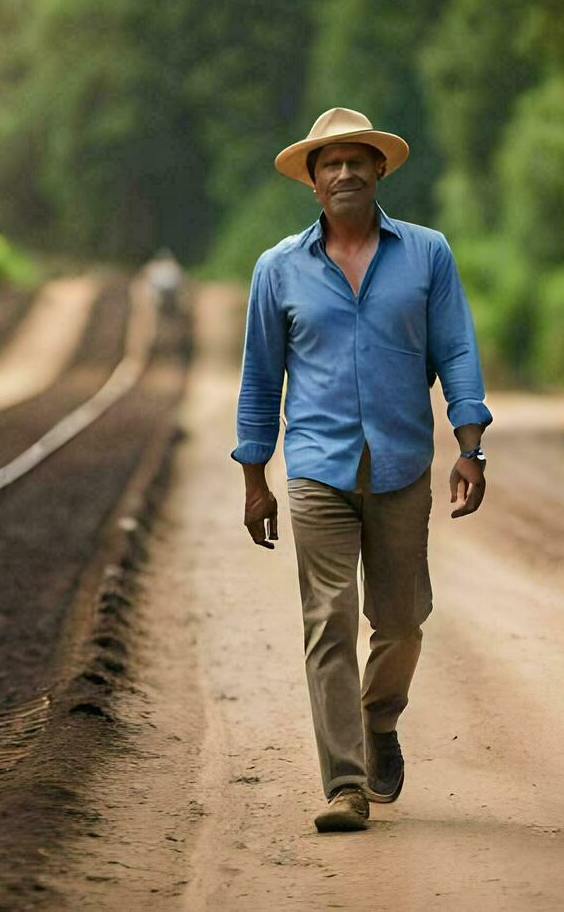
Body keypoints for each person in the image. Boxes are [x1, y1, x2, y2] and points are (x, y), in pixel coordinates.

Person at [231, 107, 492, 832]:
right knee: (329, 620)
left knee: (402, 621)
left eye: (357, 160)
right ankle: (344, 785)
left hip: (404, 465)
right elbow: (259, 381)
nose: (344, 172)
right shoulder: (277, 269)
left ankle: (380, 722)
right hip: (317, 468)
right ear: (312, 182)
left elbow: (458, 353)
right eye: (330, 163)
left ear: (379, 171)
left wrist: (470, 446)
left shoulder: (427, 254)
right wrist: (255, 476)